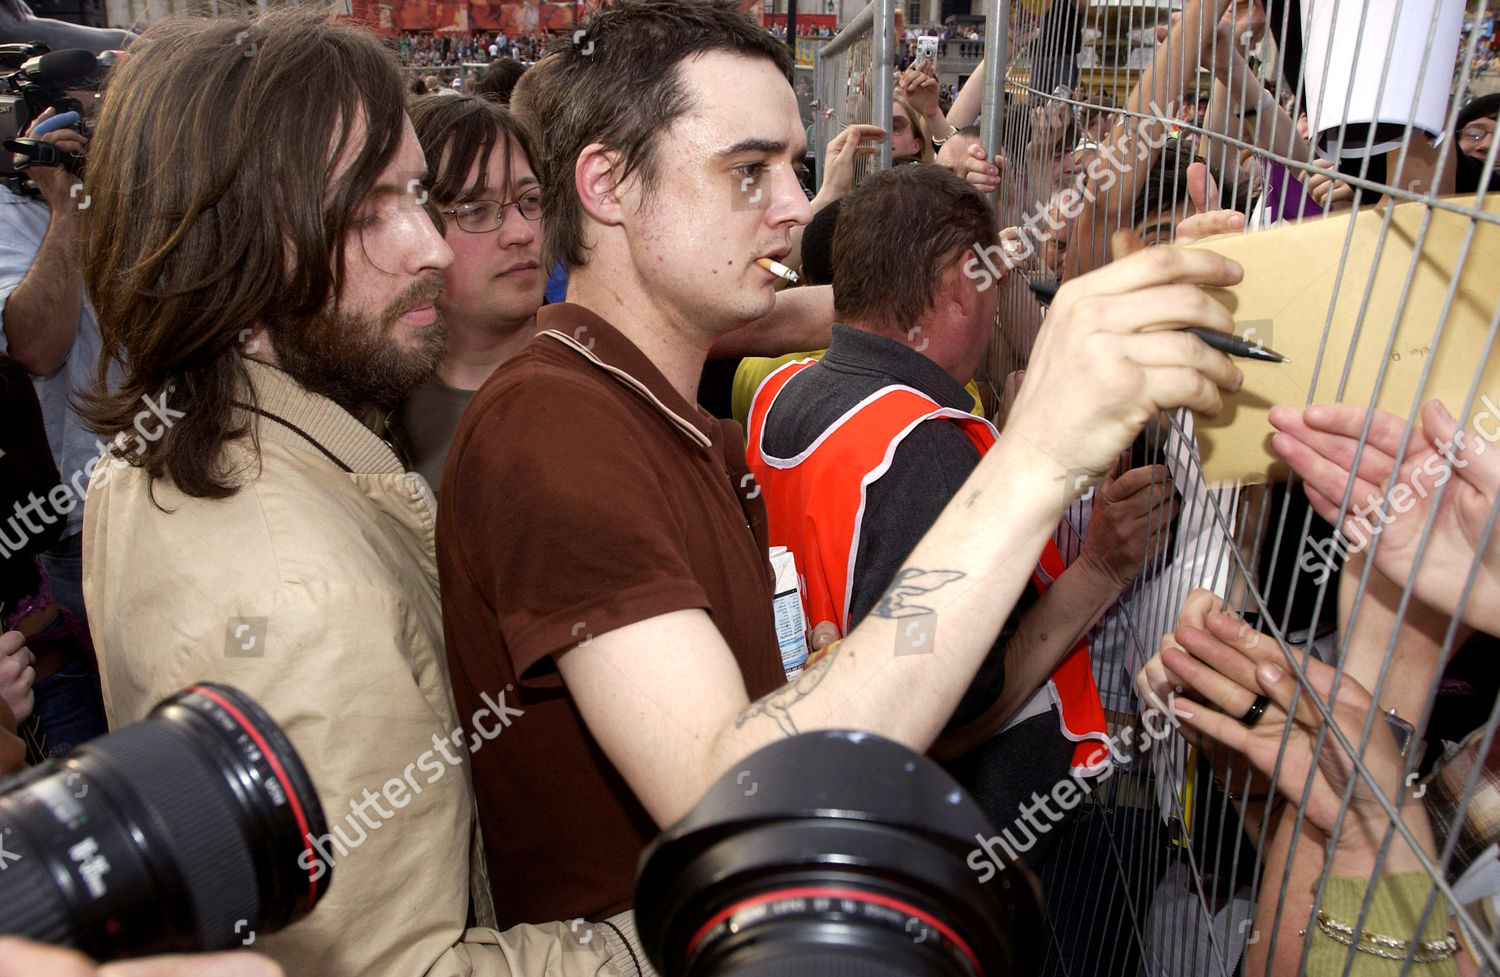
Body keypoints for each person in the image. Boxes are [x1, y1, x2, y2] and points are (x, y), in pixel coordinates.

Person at [445, 0, 1244, 933]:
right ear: (608, 185)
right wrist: (1039, 458)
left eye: (791, 165)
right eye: (747, 171)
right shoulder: (555, 422)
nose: (792, 204)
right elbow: (731, 796)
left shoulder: (658, 410)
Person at [75, 11, 621, 976]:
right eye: (367, 212)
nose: (433, 249)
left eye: (416, 193)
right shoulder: (306, 602)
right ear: (233, 248)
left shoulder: (170, 449)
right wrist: (673, 940)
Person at [745, 165, 1178, 846]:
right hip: (958, 837)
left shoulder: (781, 395)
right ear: (957, 289)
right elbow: (955, 715)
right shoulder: (922, 445)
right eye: (992, 285)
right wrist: (1102, 566)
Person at [0, 69, 110, 757]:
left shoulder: (135, 199)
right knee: (90, 752)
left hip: (161, 493)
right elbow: (38, 347)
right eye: (88, 121)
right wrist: (63, 206)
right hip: (70, 528)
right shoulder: (14, 211)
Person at [387, 94, 545, 490]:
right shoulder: (369, 404)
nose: (521, 232)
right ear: (417, 228)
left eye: (530, 201)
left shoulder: (609, 381)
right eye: (475, 210)